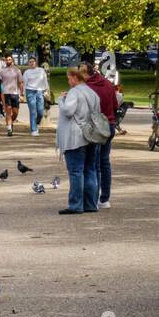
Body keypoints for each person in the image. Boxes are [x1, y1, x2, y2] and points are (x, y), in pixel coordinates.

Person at [56, 65, 101, 214]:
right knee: (90, 170)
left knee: (76, 171)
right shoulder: (92, 92)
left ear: (75, 77)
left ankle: (76, 205)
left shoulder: (74, 92)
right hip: (91, 135)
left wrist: (61, 100)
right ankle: (91, 204)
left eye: (69, 78)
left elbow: (68, 111)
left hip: (75, 136)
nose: (68, 81)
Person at [83, 61, 119, 209]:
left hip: (97, 128)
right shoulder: (108, 84)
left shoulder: (87, 88)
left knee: (95, 164)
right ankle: (105, 199)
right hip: (109, 126)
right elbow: (115, 105)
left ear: (87, 73)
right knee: (105, 163)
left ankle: (94, 197)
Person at [0, 53, 24, 136]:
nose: (8, 61)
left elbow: (21, 82)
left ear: (12, 60)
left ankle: (10, 122)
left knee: (15, 112)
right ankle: (9, 129)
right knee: (8, 111)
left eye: (9, 59)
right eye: (7, 59)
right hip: (5, 93)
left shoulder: (17, 70)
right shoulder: (1, 71)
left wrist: (22, 94)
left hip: (15, 94)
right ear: (4, 61)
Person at [22, 57, 49, 136]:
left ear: (36, 62)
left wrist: (46, 90)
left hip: (40, 91)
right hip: (30, 91)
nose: (31, 63)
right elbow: (24, 84)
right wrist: (23, 94)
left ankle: (36, 123)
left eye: (33, 61)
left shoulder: (41, 70)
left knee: (40, 111)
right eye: (30, 62)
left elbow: (45, 80)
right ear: (28, 63)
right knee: (33, 111)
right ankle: (34, 130)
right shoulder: (27, 72)